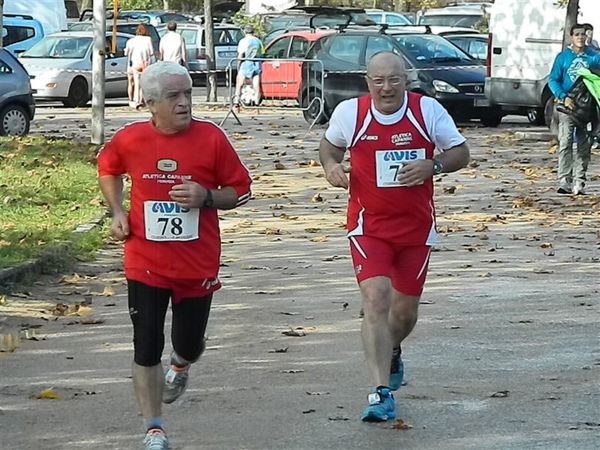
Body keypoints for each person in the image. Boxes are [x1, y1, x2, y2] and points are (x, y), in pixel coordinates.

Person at [97, 61, 252, 450]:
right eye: (174, 96)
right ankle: (153, 428)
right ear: (150, 103)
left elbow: (242, 190)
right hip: (144, 261)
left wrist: (207, 198)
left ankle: (181, 363)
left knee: (190, 342)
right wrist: (117, 211)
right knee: (145, 343)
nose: (185, 103)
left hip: (196, 264)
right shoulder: (130, 139)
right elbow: (108, 167)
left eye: (188, 93)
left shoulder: (211, 139)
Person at [318, 52, 470, 423]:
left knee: (403, 313)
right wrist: (331, 166)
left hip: (416, 229)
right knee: (375, 299)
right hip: (369, 227)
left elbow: (461, 152)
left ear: (406, 79)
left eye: (394, 80)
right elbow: (329, 146)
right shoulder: (351, 113)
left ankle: (393, 347)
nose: (386, 88)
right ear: (367, 82)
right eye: (378, 80)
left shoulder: (427, 111)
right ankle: (380, 392)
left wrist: (431, 165)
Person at [549, 23, 600, 195]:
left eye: (583, 34)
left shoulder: (593, 56)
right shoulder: (563, 57)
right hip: (567, 107)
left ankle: (580, 181)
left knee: (584, 146)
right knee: (565, 143)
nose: (580, 37)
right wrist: (564, 97)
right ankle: (564, 180)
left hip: (587, 109)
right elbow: (553, 80)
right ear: (571, 37)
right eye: (577, 34)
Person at [125, 24, 154, 109]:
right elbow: (151, 52)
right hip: (145, 63)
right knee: (143, 83)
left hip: (135, 63)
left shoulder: (131, 41)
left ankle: (136, 100)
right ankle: (142, 100)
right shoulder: (148, 40)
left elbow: (126, 53)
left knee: (136, 82)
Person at [233, 25, 263, 108]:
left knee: (239, 84)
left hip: (246, 63)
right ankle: (257, 104)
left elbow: (240, 54)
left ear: (245, 32)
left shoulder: (243, 41)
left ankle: (236, 103)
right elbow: (262, 52)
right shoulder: (258, 41)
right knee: (256, 85)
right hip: (257, 64)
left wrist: (238, 65)